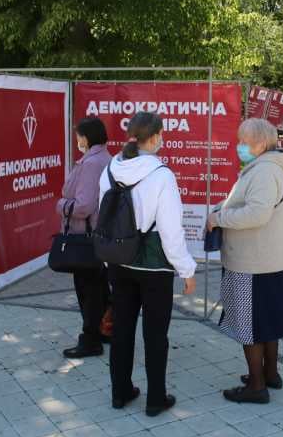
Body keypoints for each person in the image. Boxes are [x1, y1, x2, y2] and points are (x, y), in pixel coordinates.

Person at [100, 112, 197, 417]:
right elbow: (170, 230)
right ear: (154, 138)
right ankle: (156, 398)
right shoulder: (161, 174)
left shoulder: (111, 168)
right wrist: (187, 269)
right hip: (154, 265)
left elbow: (105, 217)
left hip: (118, 259)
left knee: (122, 329)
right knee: (156, 334)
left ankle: (120, 392)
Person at [207, 118, 283, 404]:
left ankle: (257, 386)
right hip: (268, 260)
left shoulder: (264, 171)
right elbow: (250, 204)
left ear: (260, 143)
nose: (239, 147)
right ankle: (269, 373)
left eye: (243, 141)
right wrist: (225, 206)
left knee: (250, 326)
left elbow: (257, 214)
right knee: (266, 323)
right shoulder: (265, 167)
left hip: (254, 263)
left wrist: (219, 218)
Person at [56, 117, 111, 358]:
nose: (77, 140)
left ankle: (90, 340)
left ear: (86, 138)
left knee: (88, 290)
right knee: (98, 288)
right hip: (99, 235)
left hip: (85, 237)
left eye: (78, 135)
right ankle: (105, 331)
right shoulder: (106, 158)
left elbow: (84, 206)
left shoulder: (91, 164)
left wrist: (61, 204)